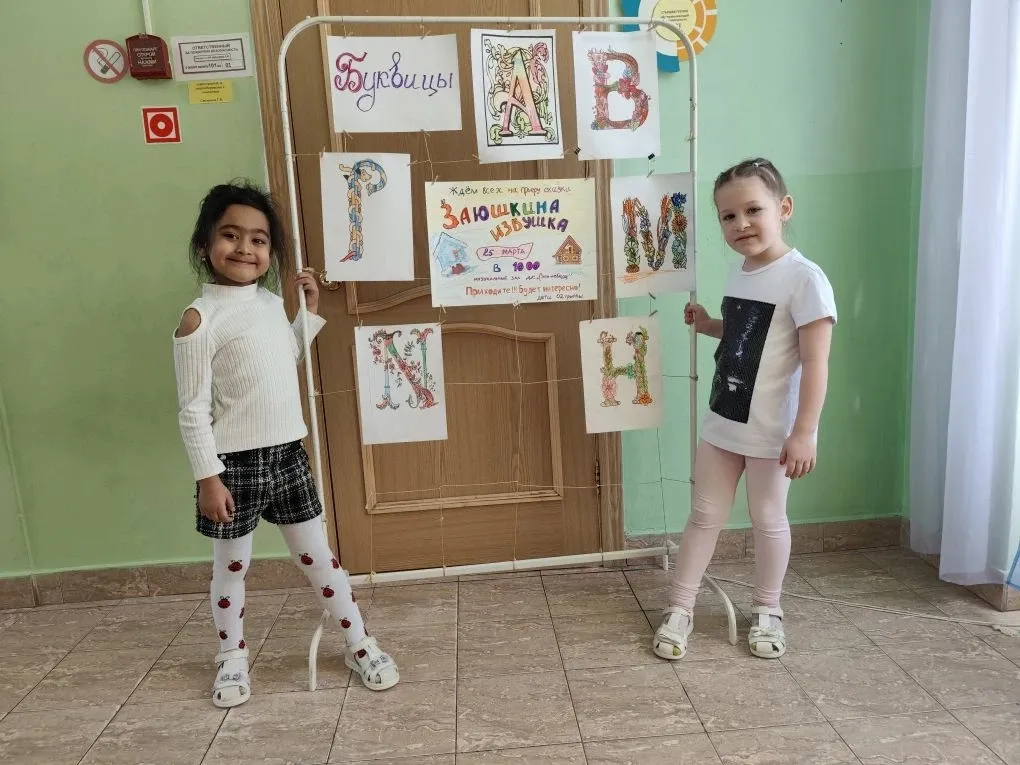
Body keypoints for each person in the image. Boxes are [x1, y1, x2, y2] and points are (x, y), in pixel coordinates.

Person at [173, 180, 399, 707]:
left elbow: (279, 361)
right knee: (232, 568)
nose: (245, 248)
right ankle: (231, 657)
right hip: (233, 467)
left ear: (270, 251)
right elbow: (192, 410)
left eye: (258, 240)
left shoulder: (273, 303)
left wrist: (307, 314)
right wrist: (208, 478)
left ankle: (358, 642)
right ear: (205, 243)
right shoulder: (199, 319)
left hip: (288, 456)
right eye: (230, 235)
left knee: (320, 558)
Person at [653, 158, 837, 661]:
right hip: (722, 421)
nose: (741, 224)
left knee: (768, 518)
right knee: (703, 515)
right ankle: (681, 607)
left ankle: (768, 608)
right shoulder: (741, 270)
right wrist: (709, 324)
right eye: (728, 216)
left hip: (772, 432)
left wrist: (805, 431)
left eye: (754, 210)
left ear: (784, 207)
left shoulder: (804, 280)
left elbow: (816, 362)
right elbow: (746, 337)